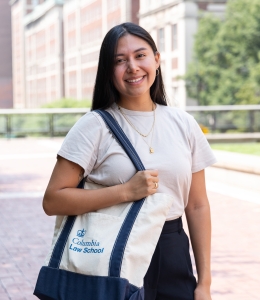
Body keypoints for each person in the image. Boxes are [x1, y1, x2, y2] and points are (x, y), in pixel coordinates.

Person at [43, 22, 216, 300]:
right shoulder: (94, 126)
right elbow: (53, 200)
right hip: (112, 255)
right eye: (120, 61)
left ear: (157, 60)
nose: (133, 67)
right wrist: (125, 192)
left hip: (172, 253)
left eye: (140, 55)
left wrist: (204, 283)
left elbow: (196, 206)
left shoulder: (183, 123)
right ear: (108, 71)